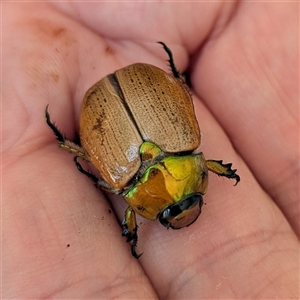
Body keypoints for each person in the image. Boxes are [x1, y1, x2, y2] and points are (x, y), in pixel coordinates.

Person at [3, 2, 298, 299]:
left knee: (103, 174)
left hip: (123, 96)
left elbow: (199, 161)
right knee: (106, 175)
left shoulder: (169, 162)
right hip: (137, 86)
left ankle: (68, 144)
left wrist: (132, 232)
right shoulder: (151, 170)